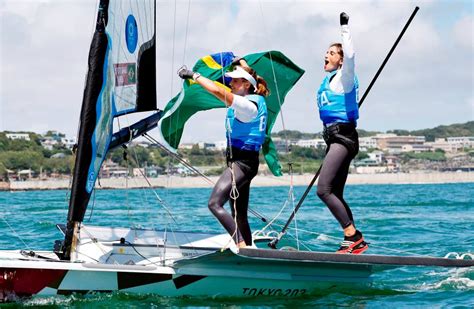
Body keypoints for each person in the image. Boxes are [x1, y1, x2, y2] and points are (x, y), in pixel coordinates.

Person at [178, 59, 269, 248]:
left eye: (235, 81)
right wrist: (242, 63)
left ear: (246, 85)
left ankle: (241, 245)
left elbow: (218, 91)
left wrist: (194, 76)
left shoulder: (248, 107)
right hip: (245, 162)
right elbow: (243, 77)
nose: (230, 84)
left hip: (242, 164)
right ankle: (250, 250)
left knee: (214, 204)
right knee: (238, 214)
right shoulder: (251, 101)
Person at [316, 12, 368, 254]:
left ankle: (352, 234)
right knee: (334, 192)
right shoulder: (329, 82)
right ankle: (354, 239)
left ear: (340, 60)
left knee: (323, 190)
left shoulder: (344, 77)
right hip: (335, 139)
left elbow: (352, 55)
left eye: (332, 53)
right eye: (326, 53)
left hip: (344, 138)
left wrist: (344, 28)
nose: (326, 56)